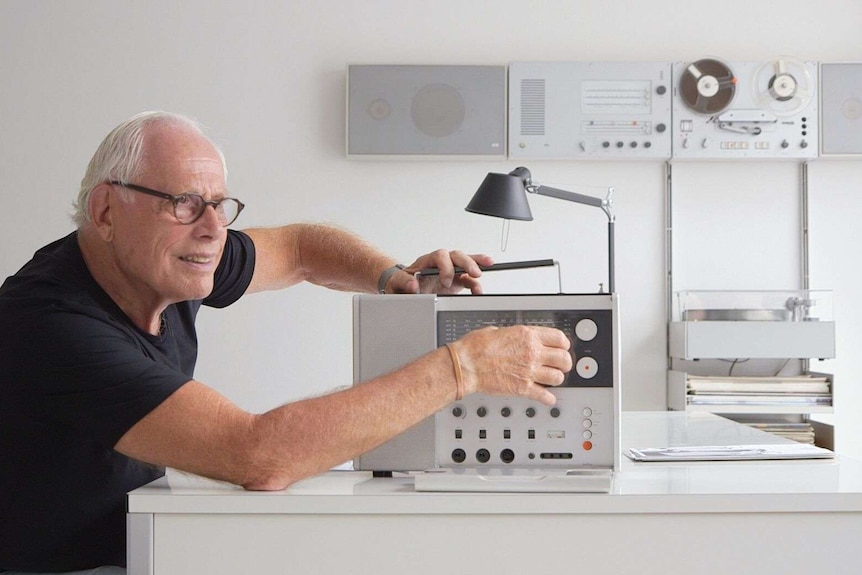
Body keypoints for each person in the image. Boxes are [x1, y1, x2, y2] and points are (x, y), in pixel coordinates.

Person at [0, 111, 572, 574]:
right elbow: (259, 455)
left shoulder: (164, 259)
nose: (212, 230)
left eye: (219, 206)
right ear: (105, 211)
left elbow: (300, 249)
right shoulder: (49, 323)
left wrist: (395, 277)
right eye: (183, 204)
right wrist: (463, 369)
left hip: (139, 541)